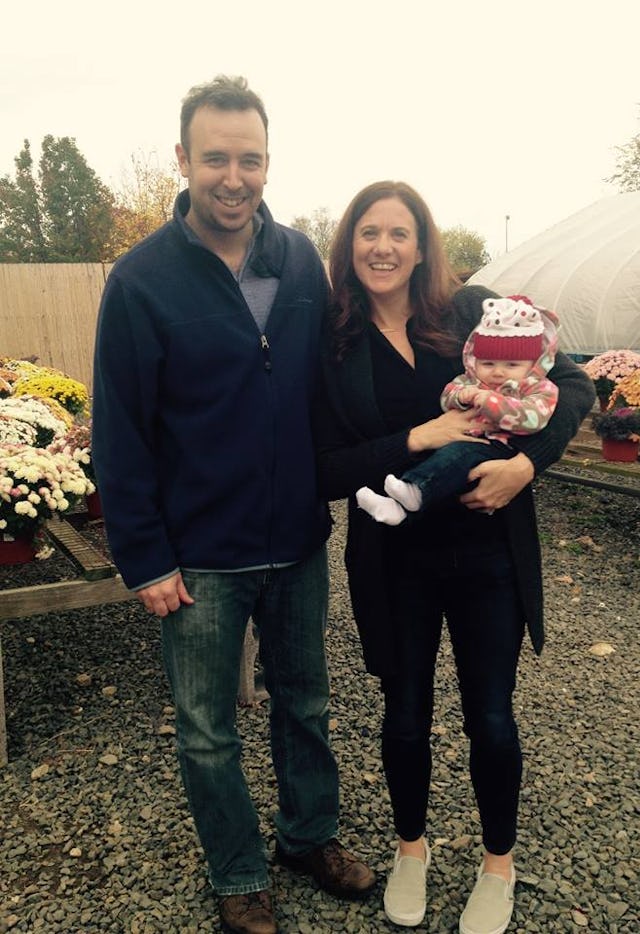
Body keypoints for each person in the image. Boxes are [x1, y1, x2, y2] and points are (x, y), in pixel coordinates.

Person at [92, 75, 375, 934]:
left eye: (249, 159)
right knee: (208, 729)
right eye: (215, 157)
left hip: (293, 539)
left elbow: (339, 380)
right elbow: (121, 430)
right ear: (184, 159)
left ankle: (308, 837)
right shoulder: (141, 281)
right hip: (200, 556)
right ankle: (238, 871)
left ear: (266, 162)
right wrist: (145, 557)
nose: (233, 176)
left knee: (307, 704)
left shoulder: (297, 261)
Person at [312, 181, 595, 933]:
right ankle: (413, 851)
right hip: (393, 557)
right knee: (403, 718)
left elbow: (570, 384)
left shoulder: (473, 311)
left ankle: (497, 865)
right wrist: (417, 440)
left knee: (492, 719)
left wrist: (527, 466)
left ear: (421, 243)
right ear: (349, 246)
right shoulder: (333, 341)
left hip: (487, 556)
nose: (382, 247)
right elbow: (323, 468)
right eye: (368, 233)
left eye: (398, 233)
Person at [356, 294, 559, 525]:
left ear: (532, 365)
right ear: (475, 360)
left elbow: (534, 419)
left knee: (455, 457)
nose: (498, 372)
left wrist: (491, 403)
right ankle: (395, 506)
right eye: (488, 363)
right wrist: (460, 398)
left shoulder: (539, 388)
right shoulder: (472, 380)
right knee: (441, 459)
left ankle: (413, 491)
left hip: (500, 447)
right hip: (468, 440)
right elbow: (447, 396)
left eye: (512, 365)